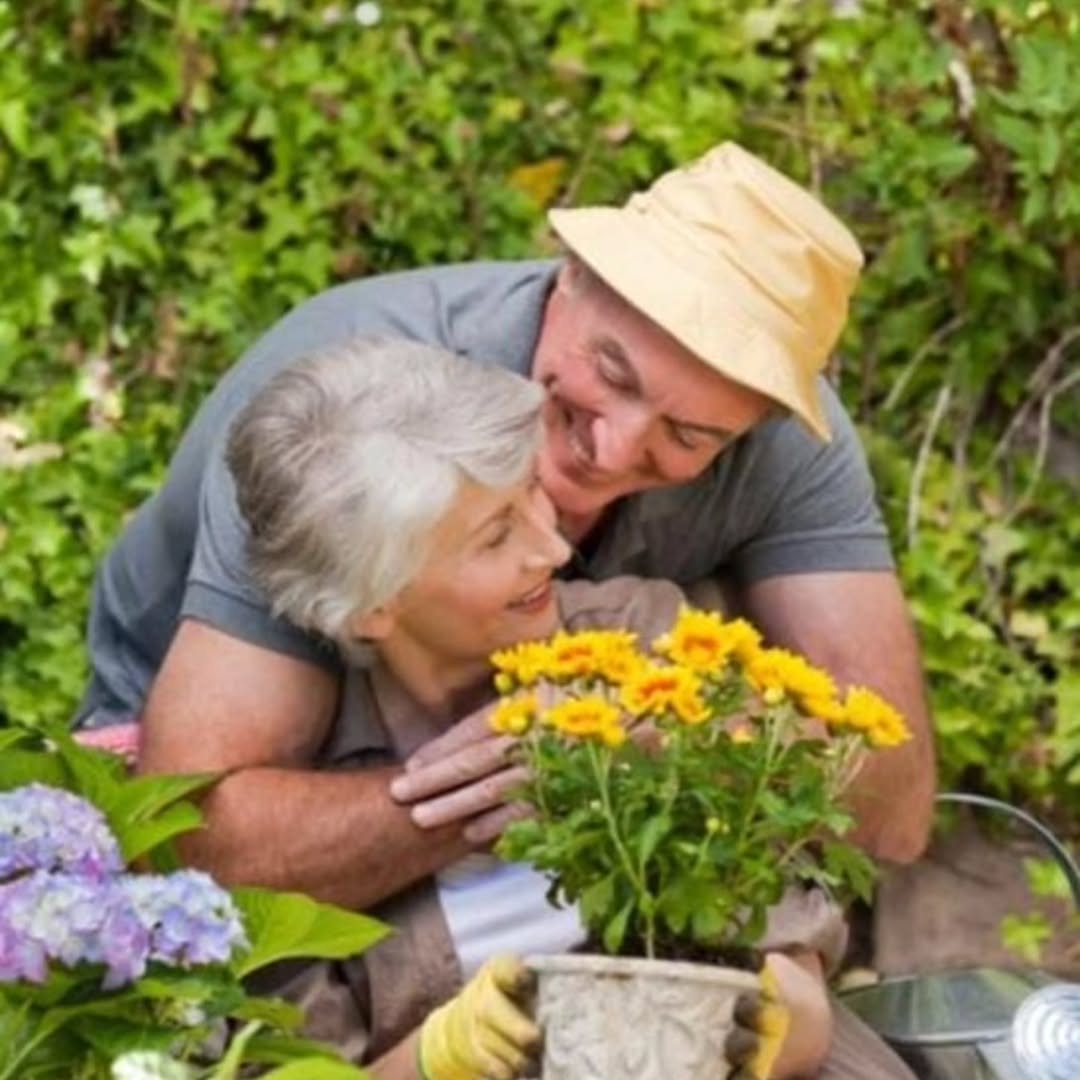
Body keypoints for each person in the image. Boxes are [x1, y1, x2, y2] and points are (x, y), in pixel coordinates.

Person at [78, 141, 935, 922]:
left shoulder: (789, 441)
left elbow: (892, 808)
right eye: (610, 372)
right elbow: (195, 834)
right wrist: (531, 768)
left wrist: (682, 737)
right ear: (567, 278)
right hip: (256, 761)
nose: (610, 449)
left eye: (689, 437)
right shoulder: (348, 403)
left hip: (499, 779)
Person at [220, 336, 915, 1080]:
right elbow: (294, 1067)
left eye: (532, 493)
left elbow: (782, 934)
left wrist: (782, 1023)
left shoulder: (643, 644)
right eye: (496, 536)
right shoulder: (305, 817)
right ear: (375, 608)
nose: (551, 547)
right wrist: (436, 1057)